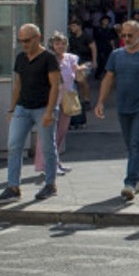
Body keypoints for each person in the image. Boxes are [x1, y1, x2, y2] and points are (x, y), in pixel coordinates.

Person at [95, 20, 139, 201]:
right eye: (124, 35)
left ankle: (130, 182)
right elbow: (108, 78)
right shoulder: (116, 55)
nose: (126, 39)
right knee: (131, 145)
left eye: (130, 35)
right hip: (123, 106)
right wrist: (100, 102)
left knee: (135, 143)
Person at [0, 24, 61, 202]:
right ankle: (13, 186)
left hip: (43, 107)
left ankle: (50, 184)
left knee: (47, 147)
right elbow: (18, 84)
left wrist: (49, 111)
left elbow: (55, 85)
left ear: (37, 38)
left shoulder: (49, 58)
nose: (24, 44)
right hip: (23, 107)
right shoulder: (21, 58)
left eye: (27, 40)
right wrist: (12, 108)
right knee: (14, 145)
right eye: (21, 40)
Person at [33, 33, 81, 176]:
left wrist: (82, 71)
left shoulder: (71, 58)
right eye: (57, 44)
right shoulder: (48, 59)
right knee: (48, 134)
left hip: (67, 99)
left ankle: (56, 161)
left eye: (63, 44)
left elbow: (77, 75)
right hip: (51, 99)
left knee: (61, 132)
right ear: (52, 45)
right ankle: (47, 165)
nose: (60, 46)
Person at [67, 18, 97, 103]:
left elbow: (93, 48)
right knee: (78, 81)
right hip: (75, 61)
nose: (72, 28)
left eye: (74, 26)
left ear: (79, 26)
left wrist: (94, 60)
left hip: (86, 60)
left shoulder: (86, 36)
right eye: (71, 26)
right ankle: (81, 98)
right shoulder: (71, 38)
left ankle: (87, 99)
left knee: (82, 80)